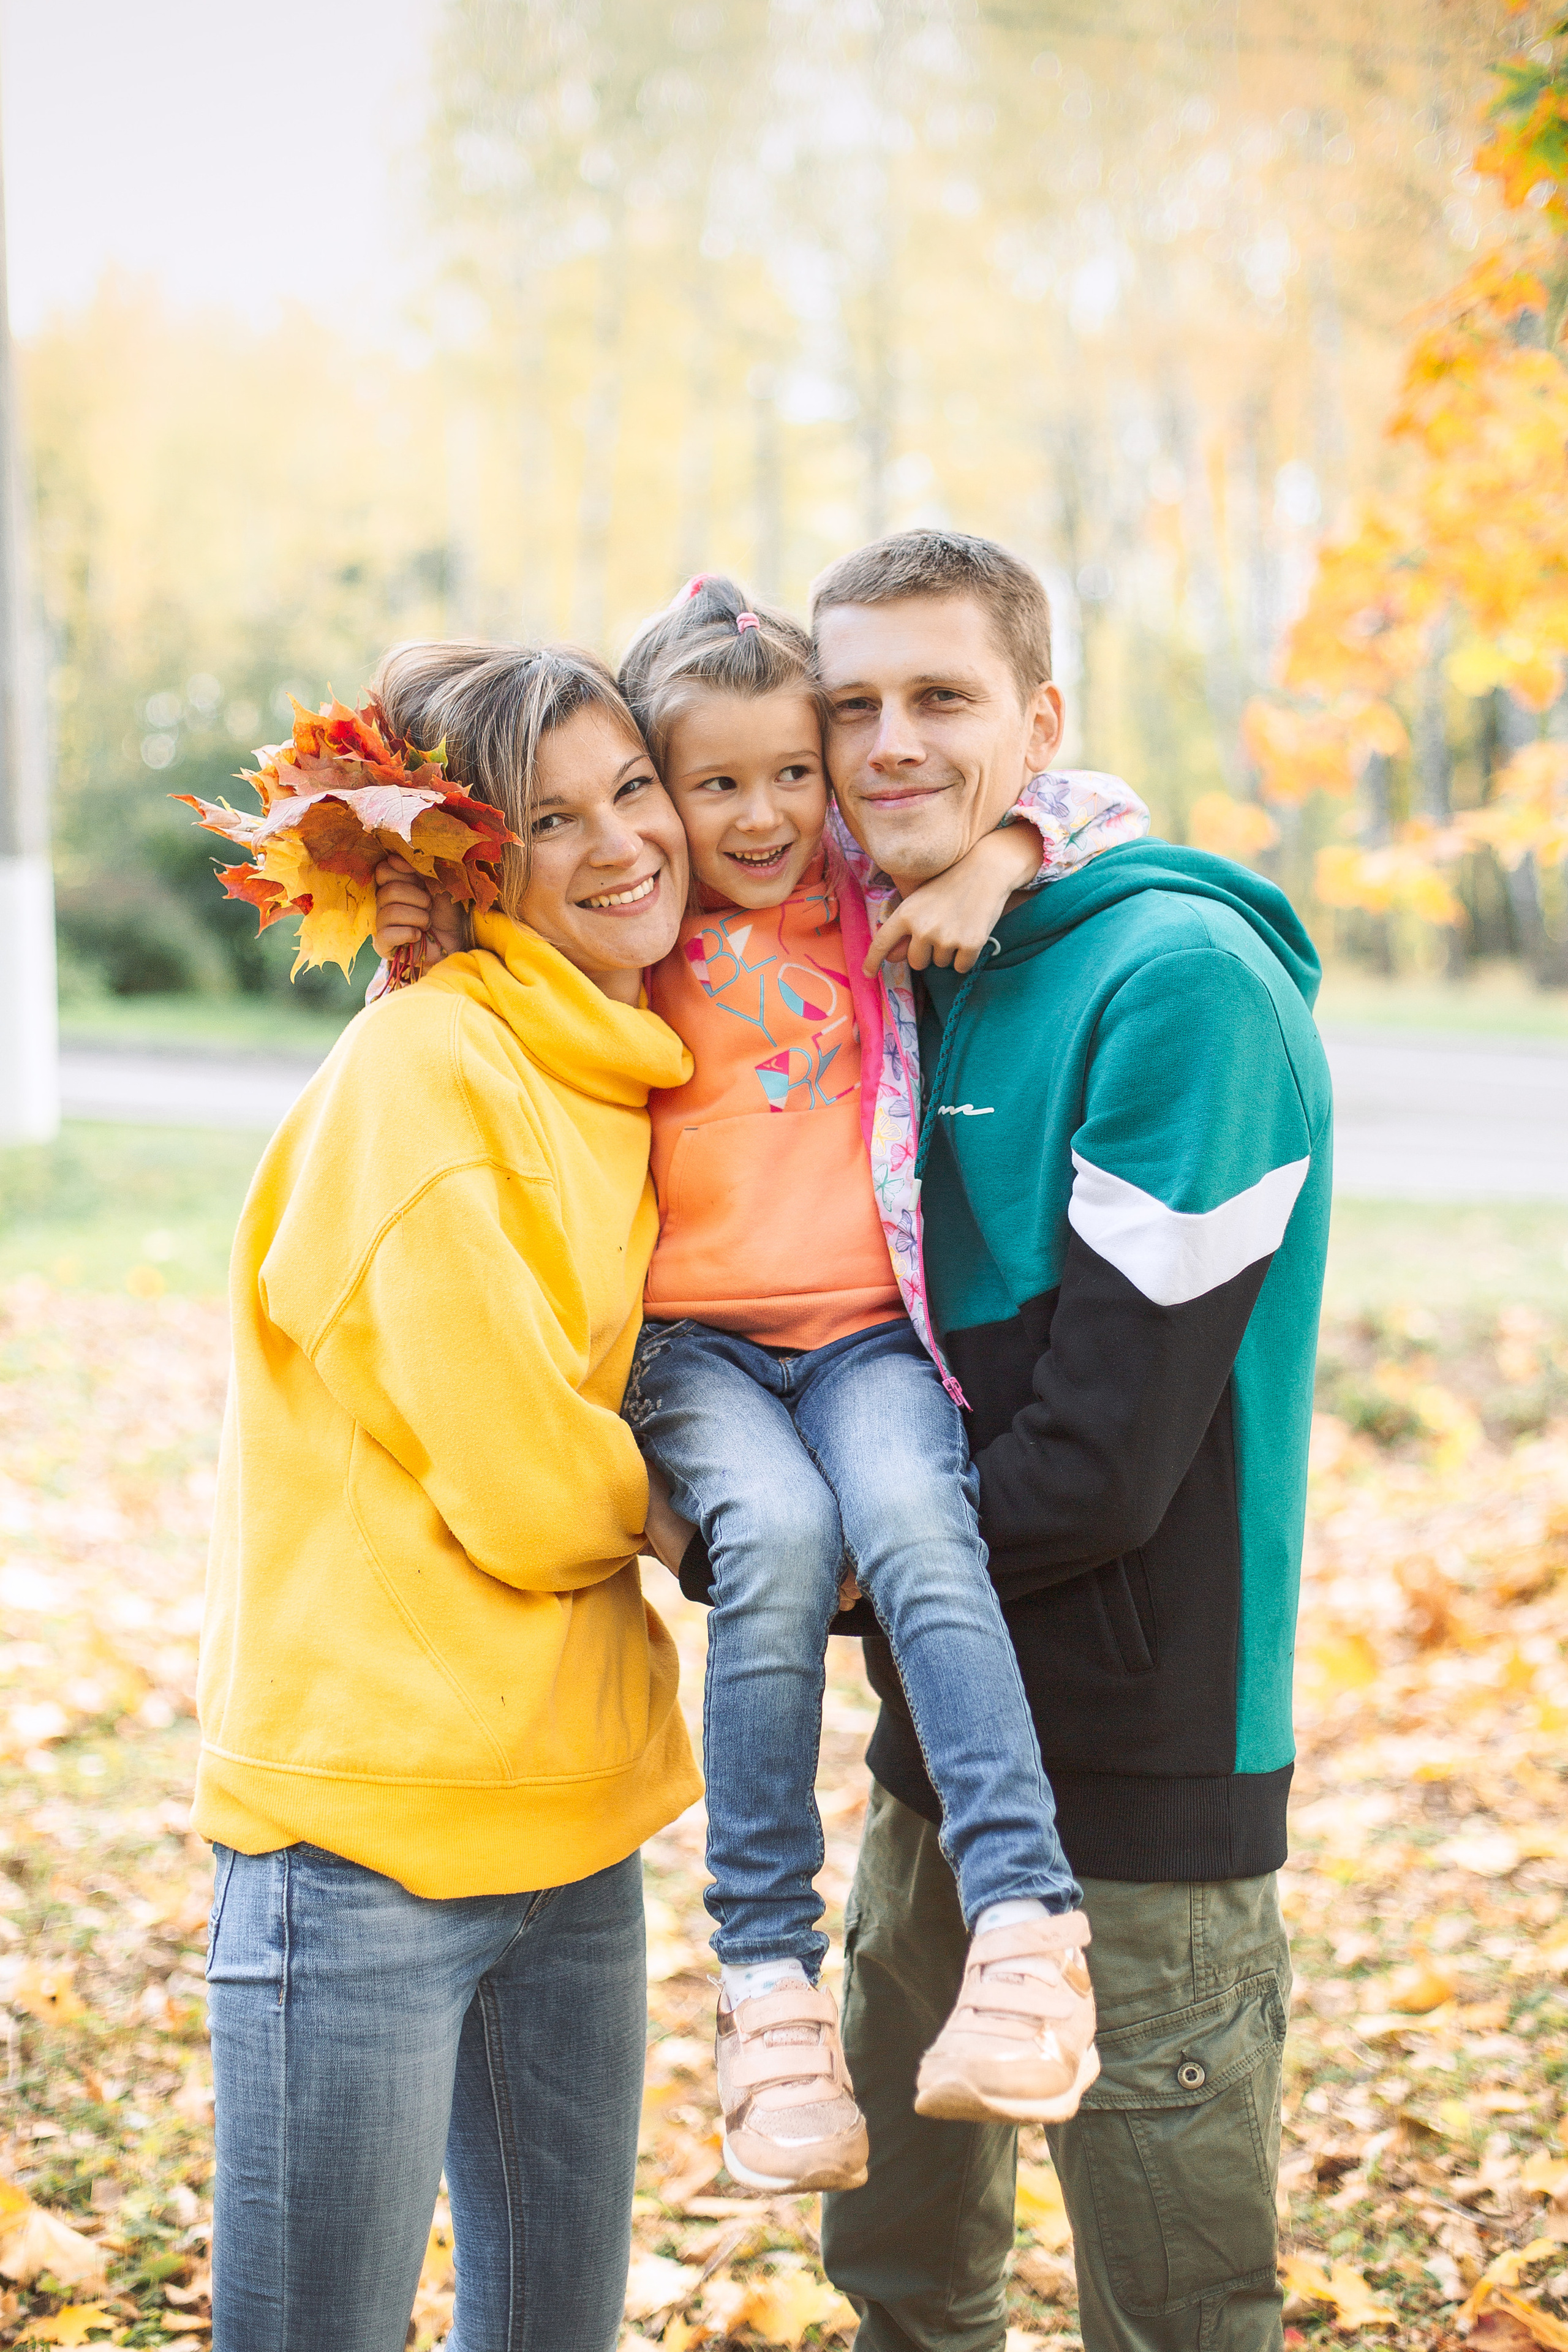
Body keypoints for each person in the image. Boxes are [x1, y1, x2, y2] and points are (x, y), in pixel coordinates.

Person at [373, 575, 1152, 2199]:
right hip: (697, 1354)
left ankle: (1027, 1926)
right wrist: (410, 929)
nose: (760, 813)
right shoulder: (633, 937)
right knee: (780, 1543)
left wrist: (1002, 854)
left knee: (925, 1529)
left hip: (870, 1336)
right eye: (711, 781)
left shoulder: (867, 893)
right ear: (663, 789)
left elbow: (1095, 806)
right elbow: (475, 976)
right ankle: (768, 1985)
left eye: (793, 771)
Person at [785, 529, 1333, 2352]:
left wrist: (809, 1570)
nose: (889, 744)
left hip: (1139, 1767)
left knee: (1174, 2311)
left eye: (941, 697)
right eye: (852, 704)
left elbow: (1100, 1460)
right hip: (941, 1760)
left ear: (1042, 726)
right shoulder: (890, 957)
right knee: (900, 2277)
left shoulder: (1181, 986)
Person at [195, 639, 704, 2352]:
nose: (623, 842)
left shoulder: (623, 1055)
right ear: (471, 864)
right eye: (551, 820)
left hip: (570, 1815)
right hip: (367, 1834)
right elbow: (523, 1479)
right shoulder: (425, 1069)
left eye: (632, 787)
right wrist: (708, 1519)